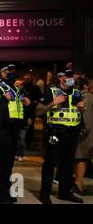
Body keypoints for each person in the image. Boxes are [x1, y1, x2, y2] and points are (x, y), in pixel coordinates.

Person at [39, 70, 84, 204]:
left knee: (67, 165)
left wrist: (81, 109)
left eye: (72, 77)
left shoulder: (77, 92)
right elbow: (39, 110)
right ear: (60, 78)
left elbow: (76, 111)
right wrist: (53, 103)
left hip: (72, 133)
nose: (71, 79)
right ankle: (44, 194)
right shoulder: (51, 91)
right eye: (68, 77)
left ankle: (64, 193)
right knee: (50, 164)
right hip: (56, 132)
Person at [0, 64, 30, 202]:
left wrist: (24, 98)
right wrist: (3, 98)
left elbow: (25, 102)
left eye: (14, 71)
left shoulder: (15, 87)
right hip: (4, 128)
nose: (12, 73)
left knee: (8, 164)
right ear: (2, 73)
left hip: (15, 128)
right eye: (9, 71)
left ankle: (6, 192)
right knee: (3, 164)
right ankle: (0, 195)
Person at [73, 78, 93, 195]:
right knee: (83, 158)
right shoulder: (88, 96)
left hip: (80, 131)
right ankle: (78, 184)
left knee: (80, 157)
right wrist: (85, 131)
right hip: (86, 133)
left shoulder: (78, 95)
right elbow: (88, 118)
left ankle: (77, 183)